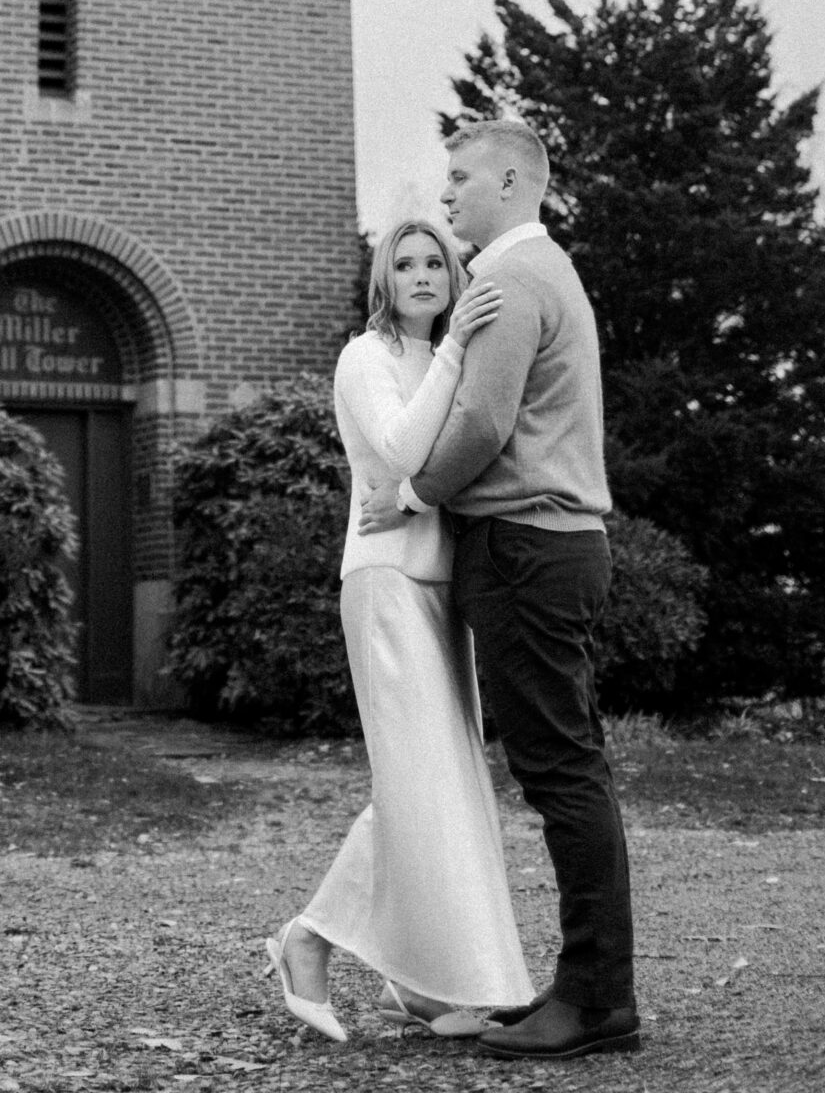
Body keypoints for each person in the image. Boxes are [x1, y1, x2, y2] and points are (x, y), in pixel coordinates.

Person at [360, 119, 639, 1062]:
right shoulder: (536, 271)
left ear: (513, 178)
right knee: (566, 765)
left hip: (526, 548)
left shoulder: (515, 278)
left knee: (561, 771)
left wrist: (408, 493)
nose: (444, 196)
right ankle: (587, 987)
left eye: (459, 176)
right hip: (542, 549)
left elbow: (481, 422)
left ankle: (596, 1001)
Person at [265, 220, 535, 1043]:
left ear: (455, 274)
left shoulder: (449, 356)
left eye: (435, 263)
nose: (421, 274)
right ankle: (305, 942)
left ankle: (419, 985)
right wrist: (453, 353)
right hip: (383, 583)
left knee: (444, 790)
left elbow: (463, 462)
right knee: (417, 787)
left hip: (443, 590)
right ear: (384, 281)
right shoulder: (366, 357)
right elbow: (396, 451)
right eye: (404, 265)